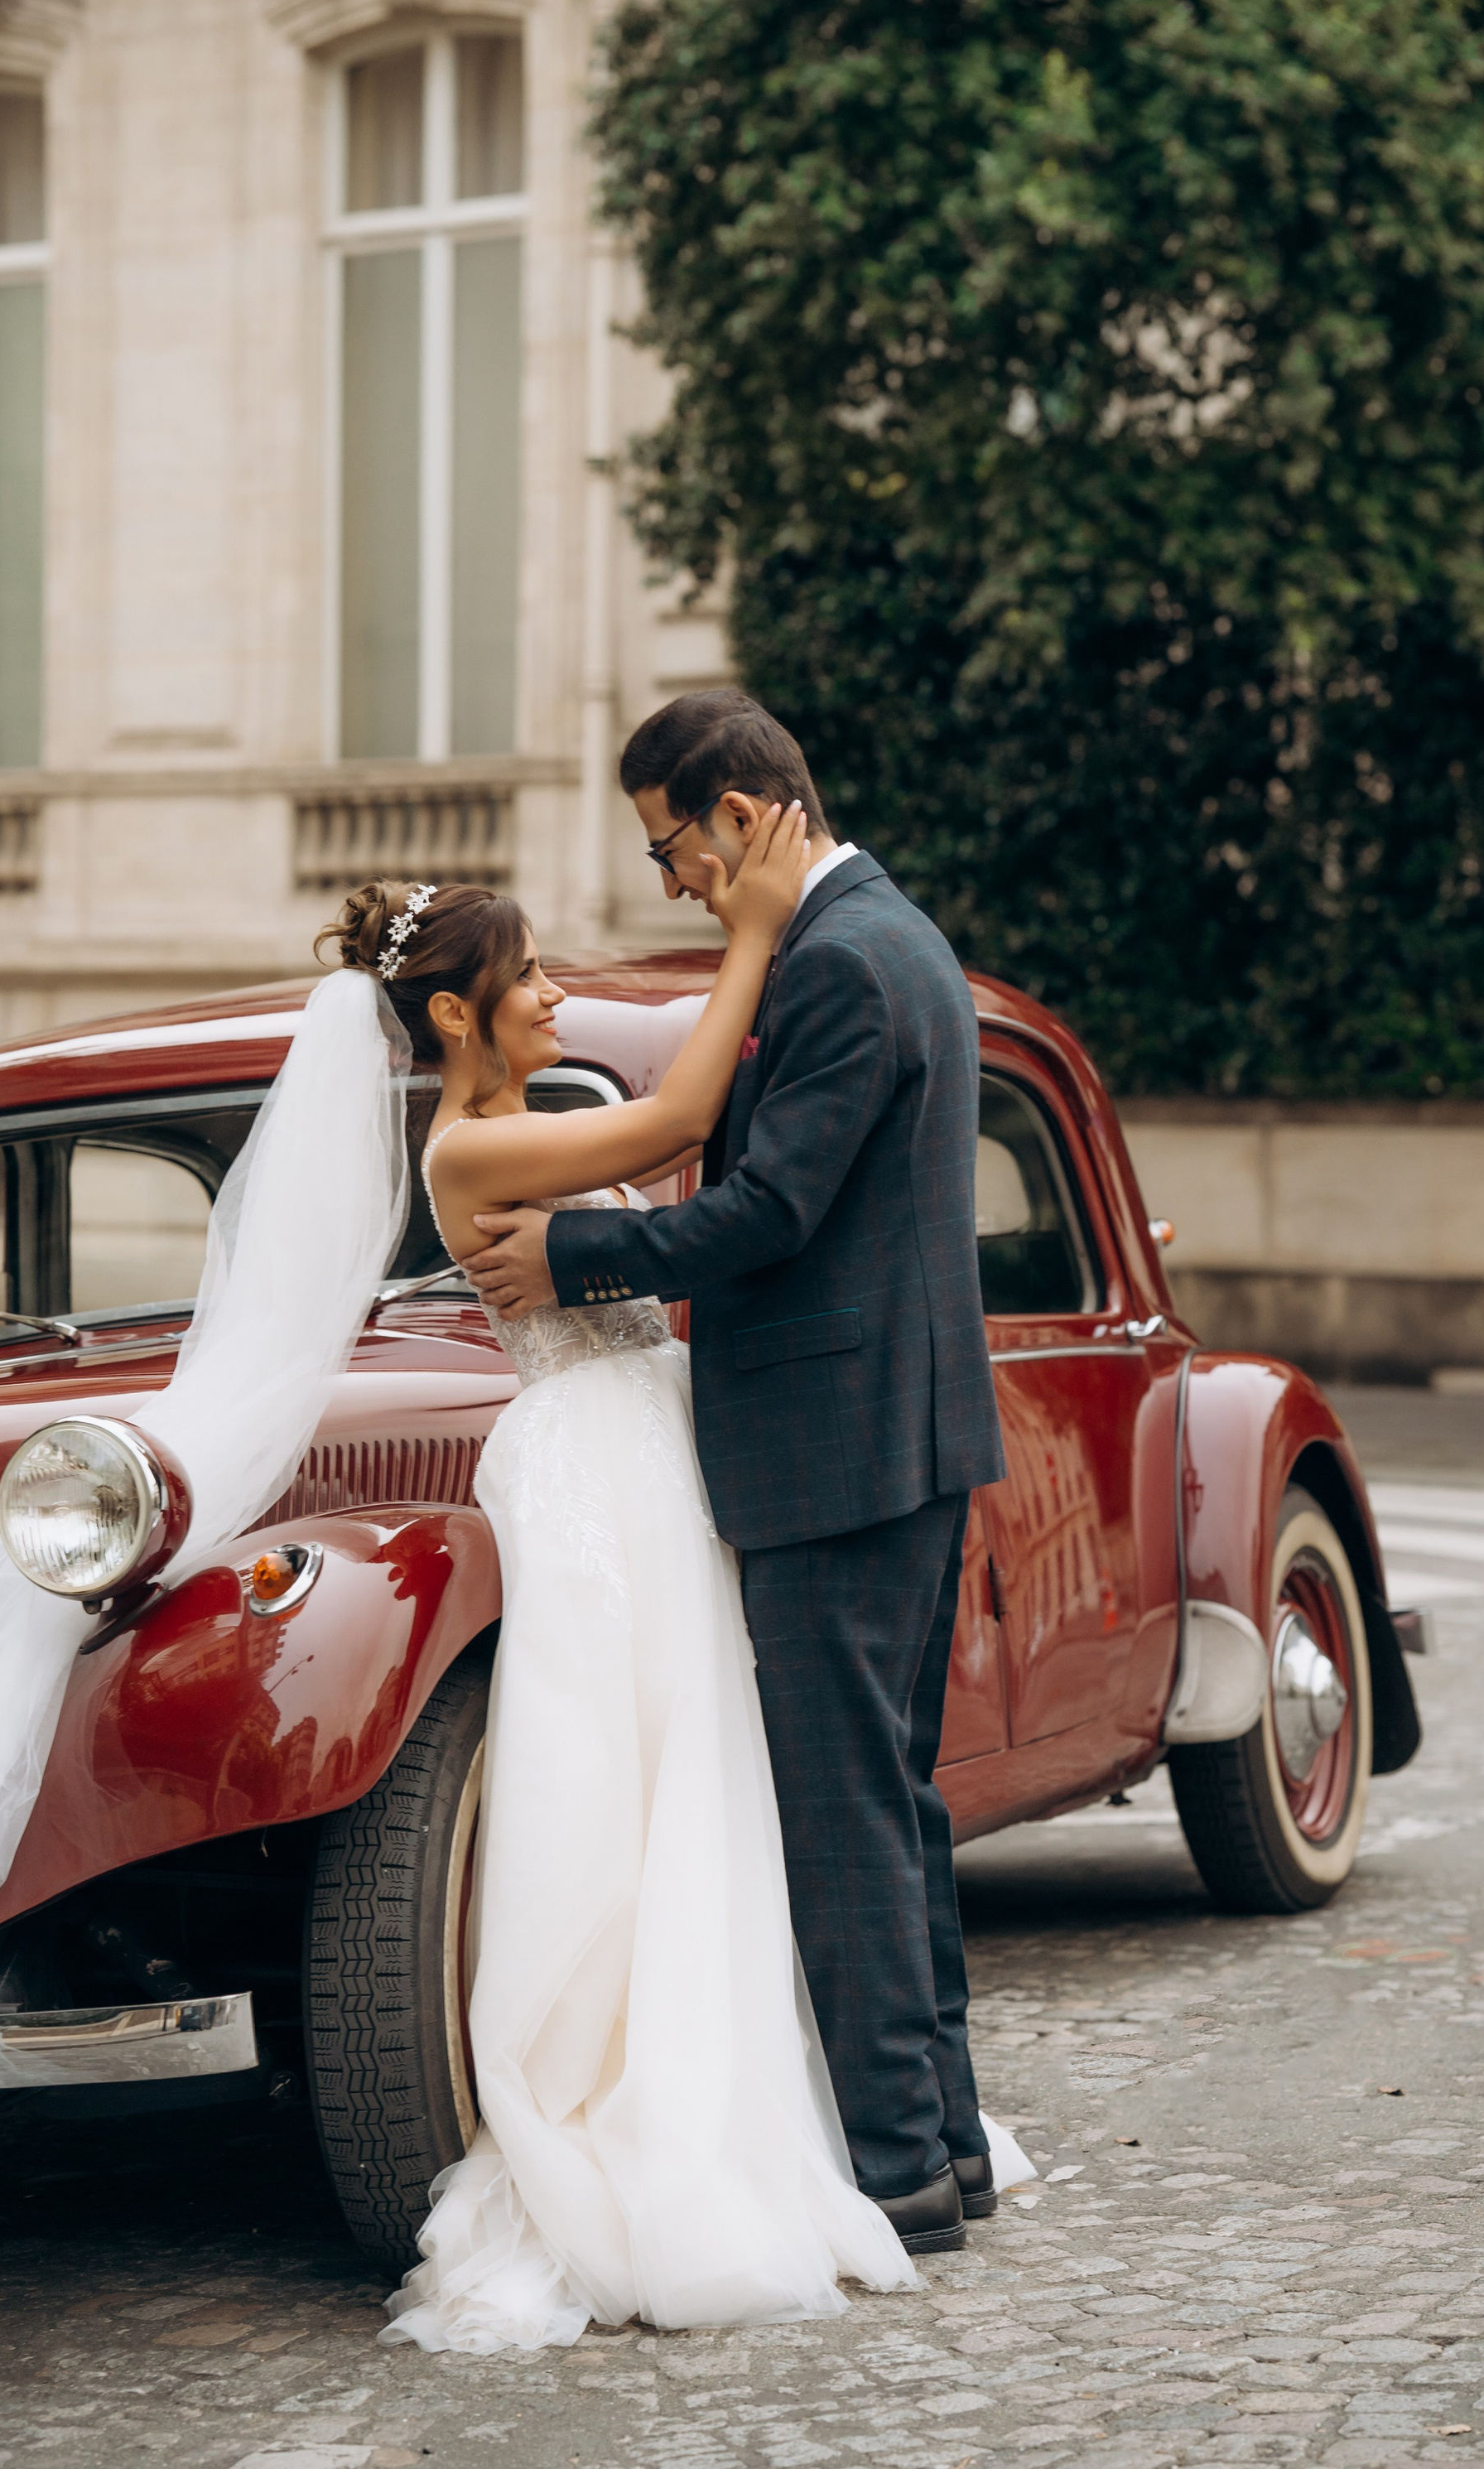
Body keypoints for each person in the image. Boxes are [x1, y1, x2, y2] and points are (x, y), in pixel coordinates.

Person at [354, 803, 933, 2350]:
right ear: (458, 1013)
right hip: (594, 1476)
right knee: (625, 1795)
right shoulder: (475, 1143)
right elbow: (680, 1121)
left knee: (711, 1779)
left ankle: (746, 2085)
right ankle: (635, 2110)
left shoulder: (527, 1110)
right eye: (527, 976)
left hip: (653, 1455)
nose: (553, 992)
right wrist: (749, 929)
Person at [462, 688, 1012, 2255]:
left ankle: (900, 2168)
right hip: (892, 1444)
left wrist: (572, 1252)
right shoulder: (884, 937)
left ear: (747, 811)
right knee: (889, 1812)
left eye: (672, 845)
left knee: (847, 1823)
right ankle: (944, 2143)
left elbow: (768, 1213)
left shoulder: (840, 961)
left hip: (839, 1459)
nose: (671, 883)